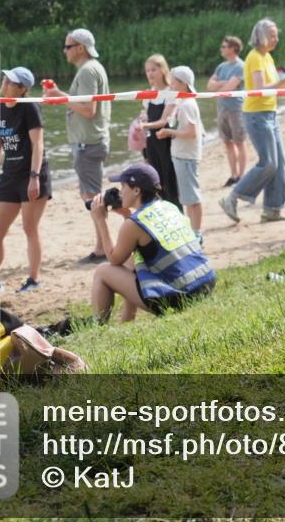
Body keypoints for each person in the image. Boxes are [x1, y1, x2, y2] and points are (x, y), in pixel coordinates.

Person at [90, 163, 215, 324]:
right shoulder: (169, 206)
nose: (121, 192)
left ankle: (98, 325)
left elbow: (114, 259)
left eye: (123, 186)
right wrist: (127, 215)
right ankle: (126, 322)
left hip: (181, 297)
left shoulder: (135, 224)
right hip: (204, 284)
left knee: (102, 271)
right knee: (132, 261)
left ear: (136, 190)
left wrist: (101, 221)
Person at [219, 19, 285, 224]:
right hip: (256, 115)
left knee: (279, 164)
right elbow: (261, 90)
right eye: (273, 35)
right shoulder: (255, 58)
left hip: (270, 113)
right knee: (268, 163)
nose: (277, 39)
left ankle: (272, 209)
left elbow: (277, 91)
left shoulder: (267, 58)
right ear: (262, 36)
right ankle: (231, 197)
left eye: (277, 34)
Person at [43, 28, 111, 263]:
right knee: (91, 195)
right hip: (91, 141)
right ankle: (102, 246)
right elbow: (83, 105)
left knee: (93, 197)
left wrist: (60, 97)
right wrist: (61, 95)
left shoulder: (88, 71)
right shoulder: (91, 69)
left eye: (68, 46)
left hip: (88, 142)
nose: (64, 51)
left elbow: (89, 110)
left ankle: (103, 249)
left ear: (80, 48)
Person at [0, 67, 51, 294]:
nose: (4, 83)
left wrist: (34, 177)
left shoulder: (29, 107)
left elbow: (37, 144)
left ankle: (34, 279)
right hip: (9, 175)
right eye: (4, 79)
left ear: (22, 89)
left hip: (32, 173)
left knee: (29, 227)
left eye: (10, 82)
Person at [156, 66, 204, 241]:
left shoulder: (188, 104)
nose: (171, 84)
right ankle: (193, 232)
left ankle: (197, 234)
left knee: (192, 197)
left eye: (175, 81)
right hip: (180, 154)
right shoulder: (182, 102)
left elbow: (192, 133)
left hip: (187, 156)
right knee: (187, 197)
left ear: (183, 84)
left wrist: (169, 133)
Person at [138, 54, 179, 208]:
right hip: (151, 142)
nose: (150, 74)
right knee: (155, 181)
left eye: (153, 70)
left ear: (162, 70)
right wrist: (142, 121)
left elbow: (164, 121)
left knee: (169, 181)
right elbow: (145, 115)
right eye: (147, 70)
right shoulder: (148, 94)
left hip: (166, 142)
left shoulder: (170, 92)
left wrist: (145, 126)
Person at [207, 36, 247, 187]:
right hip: (222, 108)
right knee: (227, 143)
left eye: (224, 47)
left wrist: (219, 85)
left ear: (233, 49)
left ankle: (242, 176)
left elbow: (228, 89)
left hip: (236, 109)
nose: (221, 49)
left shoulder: (240, 66)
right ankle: (233, 175)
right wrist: (222, 83)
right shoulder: (221, 67)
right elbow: (209, 86)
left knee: (239, 143)